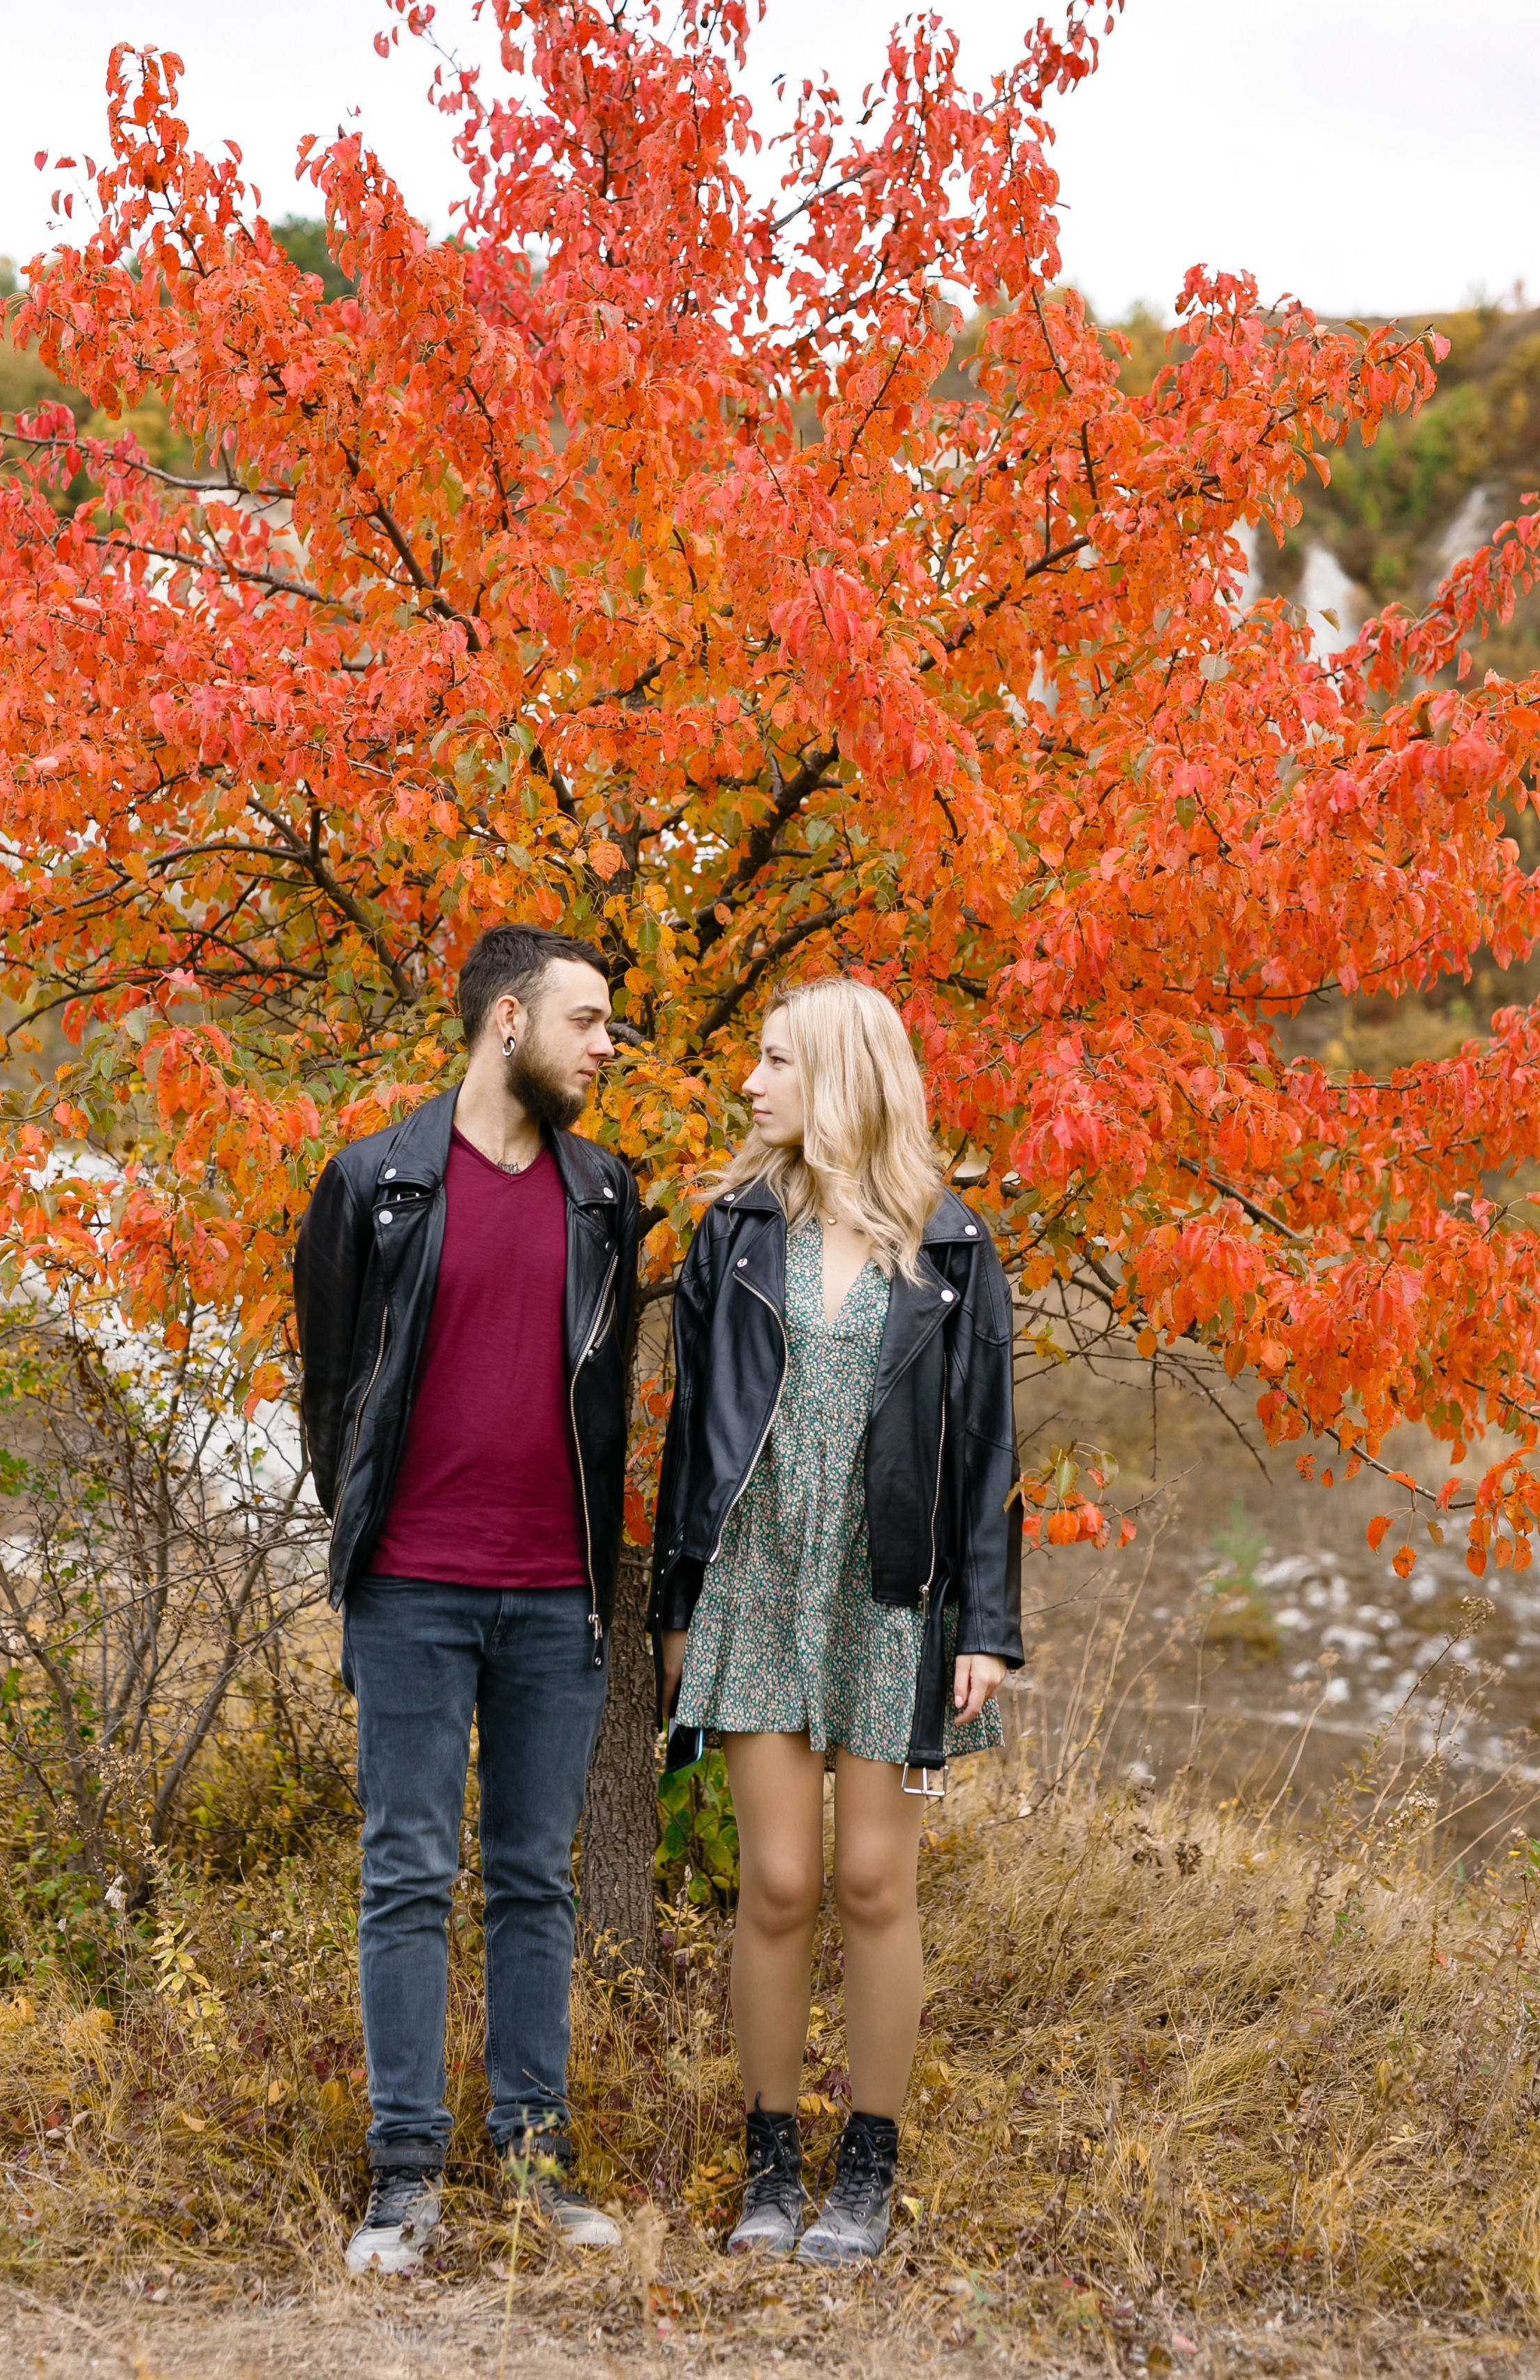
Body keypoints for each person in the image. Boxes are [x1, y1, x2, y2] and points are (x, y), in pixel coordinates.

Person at [651, 977, 1021, 2265]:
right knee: (778, 1881)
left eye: (776, 1061)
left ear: (843, 1076)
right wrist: (678, 1603)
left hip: (889, 1588)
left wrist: (988, 1625)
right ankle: (770, 2163)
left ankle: (866, 2165)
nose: (751, 1084)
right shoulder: (737, 1230)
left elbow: (988, 1446)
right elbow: (692, 1436)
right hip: (758, 1575)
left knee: (871, 1880)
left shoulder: (951, 1244)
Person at [294, 923, 640, 2274]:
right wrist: (377, 1546)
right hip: (413, 1593)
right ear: (508, 1021)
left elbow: (600, 1400)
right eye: (586, 1021)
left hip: (559, 1596)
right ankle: (403, 2177)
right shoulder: (373, 1182)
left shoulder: (604, 1194)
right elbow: (336, 1396)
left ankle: (538, 2161)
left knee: (535, 1882)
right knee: (406, 1876)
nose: (605, 1047)